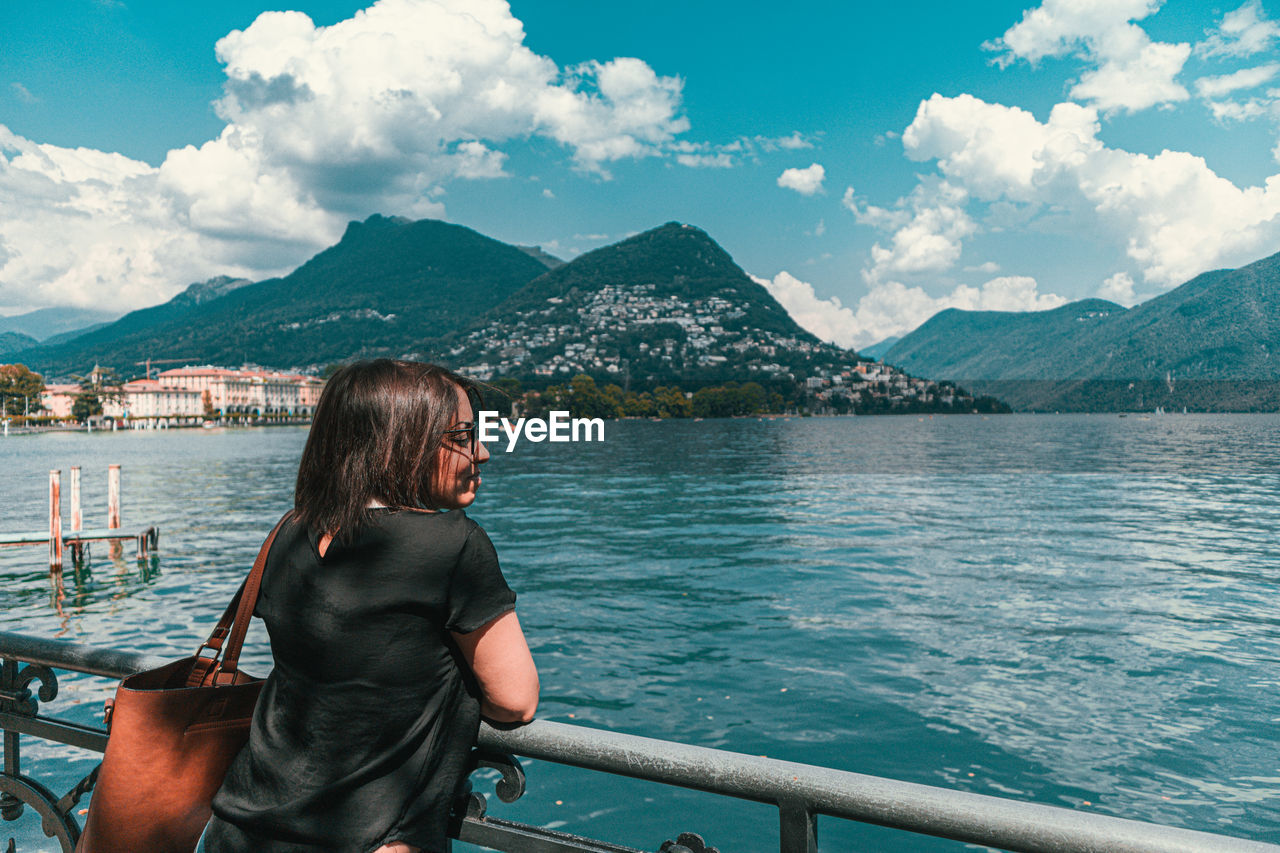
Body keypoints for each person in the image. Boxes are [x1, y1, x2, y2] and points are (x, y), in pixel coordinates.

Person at [196, 359, 539, 853]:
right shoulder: (453, 544)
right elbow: (515, 700)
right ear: (402, 441)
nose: (481, 452)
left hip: (236, 828)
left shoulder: (289, 530)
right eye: (463, 436)